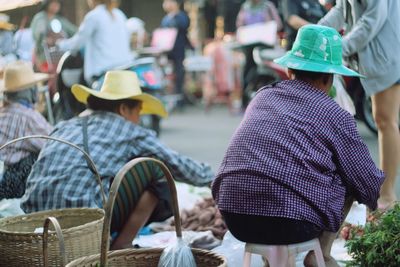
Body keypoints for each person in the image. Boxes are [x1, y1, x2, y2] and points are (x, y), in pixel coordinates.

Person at [212, 25, 385, 267]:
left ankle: (271, 261)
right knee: (349, 178)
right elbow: (367, 181)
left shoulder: (262, 96)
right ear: (329, 78)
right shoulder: (336, 114)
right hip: (292, 224)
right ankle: (320, 255)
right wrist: (376, 204)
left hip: (234, 215)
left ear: (290, 69)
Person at [20, 70, 214, 249]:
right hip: (83, 222)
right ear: (123, 109)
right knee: (158, 170)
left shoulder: (65, 125)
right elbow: (179, 165)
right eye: (138, 111)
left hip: (34, 220)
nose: (138, 119)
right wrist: (217, 179)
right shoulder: (127, 129)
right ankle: (119, 249)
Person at [319, 0, 400, 210]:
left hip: (388, 55)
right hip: (377, 56)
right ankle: (386, 193)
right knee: (383, 120)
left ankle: (388, 195)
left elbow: (372, 19)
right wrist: (316, 34)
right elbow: (341, 9)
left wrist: (340, 47)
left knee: (386, 120)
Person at [0, 61, 54, 200]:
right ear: (30, 91)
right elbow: (55, 143)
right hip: (11, 185)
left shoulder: (3, 112)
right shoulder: (27, 117)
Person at [58, 0, 132, 86]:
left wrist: (60, 44)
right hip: (124, 71)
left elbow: (77, 43)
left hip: (102, 75)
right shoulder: (119, 14)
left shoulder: (94, 16)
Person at [235, 0, 282, 108]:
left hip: (265, 46)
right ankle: (245, 100)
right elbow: (239, 25)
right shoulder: (245, 7)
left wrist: (265, 28)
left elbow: (278, 24)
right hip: (248, 46)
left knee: (265, 72)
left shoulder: (267, 6)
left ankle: (267, 100)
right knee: (248, 72)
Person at [31, 0, 77, 73]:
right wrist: (47, 39)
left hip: (60, 56)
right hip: (44, 57)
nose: (56, 5)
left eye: (58, 3)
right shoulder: (40, 17)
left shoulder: (60, 19)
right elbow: (38, 36)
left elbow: (73, 31)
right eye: (53, 2)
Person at [161, 0, 192, 105]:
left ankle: (180, 99)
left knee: (179, 74)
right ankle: (170, 97)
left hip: (179, 50)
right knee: (167, 74)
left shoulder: (182, 16)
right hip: (167, 51)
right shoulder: (166, 18)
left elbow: (184, 26)